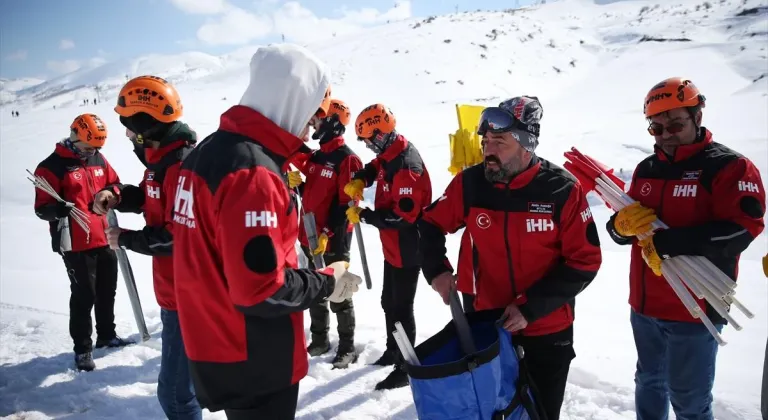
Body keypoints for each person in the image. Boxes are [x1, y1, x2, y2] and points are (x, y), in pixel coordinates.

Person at [171, 43, 363, 420]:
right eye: (312, 114)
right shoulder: (252, 173)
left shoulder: (207, 152)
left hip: (217, 341)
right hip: (253, 354)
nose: (312, 126)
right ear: (293, 101)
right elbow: (260, 290)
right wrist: (327, 281)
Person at [417, 96, 602, 420]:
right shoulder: (471, 184)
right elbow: (429, 223)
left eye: (499, 142)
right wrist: (437, 271)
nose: (488, 150)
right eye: (486, 141)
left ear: (526, 144)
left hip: (547, 329)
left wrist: (530, 308)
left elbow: (584, 261)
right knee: (492, 412)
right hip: (489, 327)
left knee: (542, 413)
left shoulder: (561, 190)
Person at [604, 77, 765, 420]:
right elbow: (629, 227)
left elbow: (743, 229)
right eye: (656, 128)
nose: (665, 135)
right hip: (646, 306)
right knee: (648, 382)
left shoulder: (727, 166)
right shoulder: (647, 169)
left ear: (698, 116)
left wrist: (672, 243)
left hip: (696, 308)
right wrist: (619, 228)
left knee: (689, 400)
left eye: (675, 124)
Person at [91, 75, 202, 420]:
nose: (125, 135)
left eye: (128, 125)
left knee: (174, 395)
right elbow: (149, 197)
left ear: (145, 124)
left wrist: (126, 239)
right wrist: (118, 195)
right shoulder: (161, 161)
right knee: (180, 390)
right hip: (173, 293)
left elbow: (176, 237)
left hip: (187, 294)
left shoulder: (181, 166)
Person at [32, 113, 132, 372]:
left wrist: (112, 192)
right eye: (88, 147)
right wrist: (59, 208)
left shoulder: (97, 158)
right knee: (83, 295)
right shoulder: (51, 167)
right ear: (75, 137)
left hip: (103, 235)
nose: (92, 152)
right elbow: (42, 209)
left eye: (97, 148)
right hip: (75, 243)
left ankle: (107, 335)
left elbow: (116, 183)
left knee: (107, 289)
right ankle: (83, 349)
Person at [344, 103, 433, 390]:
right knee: (387, 302)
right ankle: (393, 350)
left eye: (369, 140)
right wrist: (361, 178)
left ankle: (406, 367)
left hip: (408, 243)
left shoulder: (407, 166)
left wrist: (366, 216)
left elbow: (403, 216)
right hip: (392, 244)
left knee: (401, 307)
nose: (368, 147)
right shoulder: (390, 153)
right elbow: (376, 166)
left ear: (381, 134)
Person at [287, 98, 364, 369]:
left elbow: (348, 205)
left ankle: (347, 347)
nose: (313, 122)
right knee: (313, 288)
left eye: (318, 118)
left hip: (333, 238)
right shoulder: (319, 156)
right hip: (309, 234)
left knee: (339, 292)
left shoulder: (348, 159)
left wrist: (328, 233)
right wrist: (297, 186)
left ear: (332, 121)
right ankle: (319, 339)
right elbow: (315, 193)